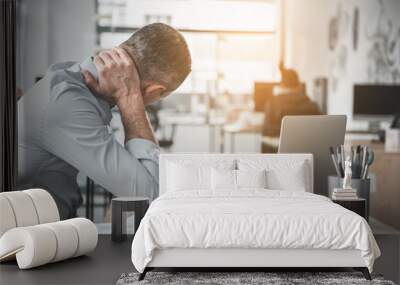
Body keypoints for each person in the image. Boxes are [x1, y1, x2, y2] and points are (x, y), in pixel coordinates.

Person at [17, 23, 191, 219]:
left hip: (53, 230)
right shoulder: (67, 102)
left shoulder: (70, 76)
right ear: (154, 90)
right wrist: (130, 99)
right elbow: (152, 199)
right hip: (26, 241)